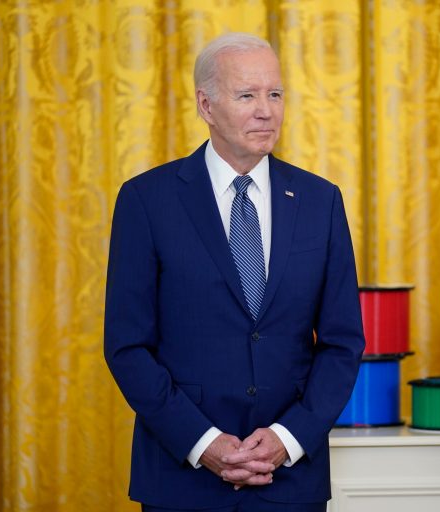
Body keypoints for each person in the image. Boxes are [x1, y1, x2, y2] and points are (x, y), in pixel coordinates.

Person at [104, 32, 365, 512]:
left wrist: (290, 437)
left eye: (275, 94)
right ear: (206, 105)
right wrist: (204, 444)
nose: (266, 110)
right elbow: (127, 346)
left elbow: (342, 342)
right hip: (182, 481)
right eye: (247, 95)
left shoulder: (320, 201)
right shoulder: (146, 200)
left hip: (289, 482)